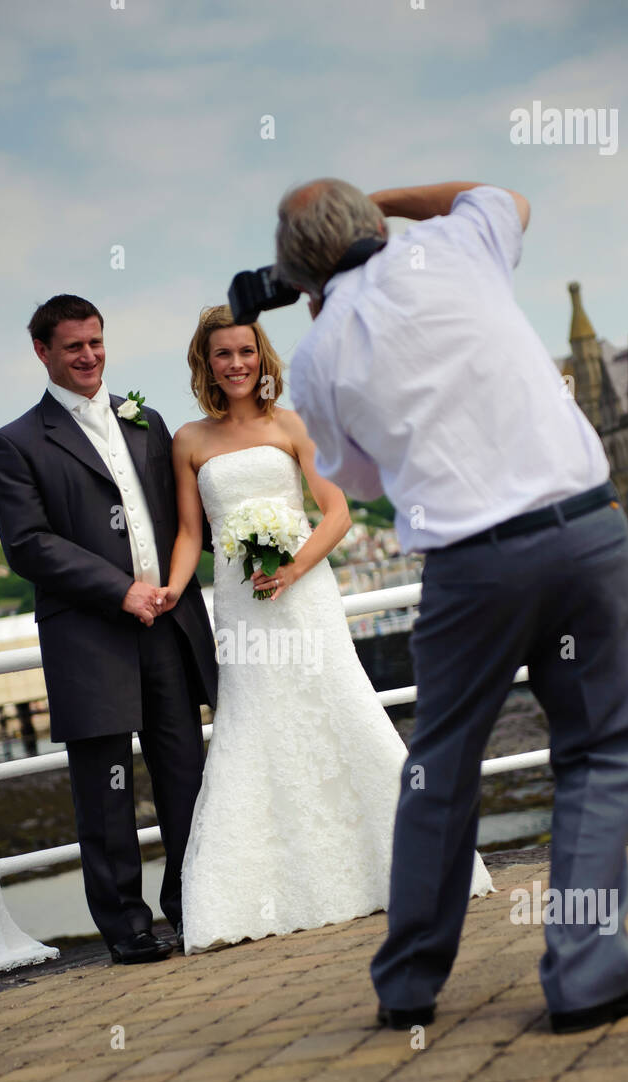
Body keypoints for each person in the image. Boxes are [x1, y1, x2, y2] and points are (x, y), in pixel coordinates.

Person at [276, 177, 628, 1035]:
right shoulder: (455, 244)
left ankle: (409, 981)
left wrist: (320, 307)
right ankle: (585, 971)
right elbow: (501, 191)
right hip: (581, 528)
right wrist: (383, 200)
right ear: (375, 225)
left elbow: (362, 478)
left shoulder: (317, 351)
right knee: (600, 750)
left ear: (299, 277)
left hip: (469, 565)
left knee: (439, 767)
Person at [155, 305, 493, 954]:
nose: (236, 364)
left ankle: (413, 868)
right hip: (240, 601)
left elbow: (335, 512)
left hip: (302, 593)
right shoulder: (190, 442)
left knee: (342, 709)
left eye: (245, 352)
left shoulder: (293, 424)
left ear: (262, 357)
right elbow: (191, 534)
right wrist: (171, 589)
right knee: (253, 727)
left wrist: (292, 567)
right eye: (222, 354)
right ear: (206, 362)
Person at [0, 294, 217, 965]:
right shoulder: (17, 443)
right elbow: (28, 545)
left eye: (95, 342)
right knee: (106, 789)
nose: (88, 356)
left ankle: (193, 902)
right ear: (43, 353)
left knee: (187, 776)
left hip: (170, 628)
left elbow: (186, 517)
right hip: (89, 640)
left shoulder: (145, 421)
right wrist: (121, 592)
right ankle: (127, 928)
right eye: (72, 347)